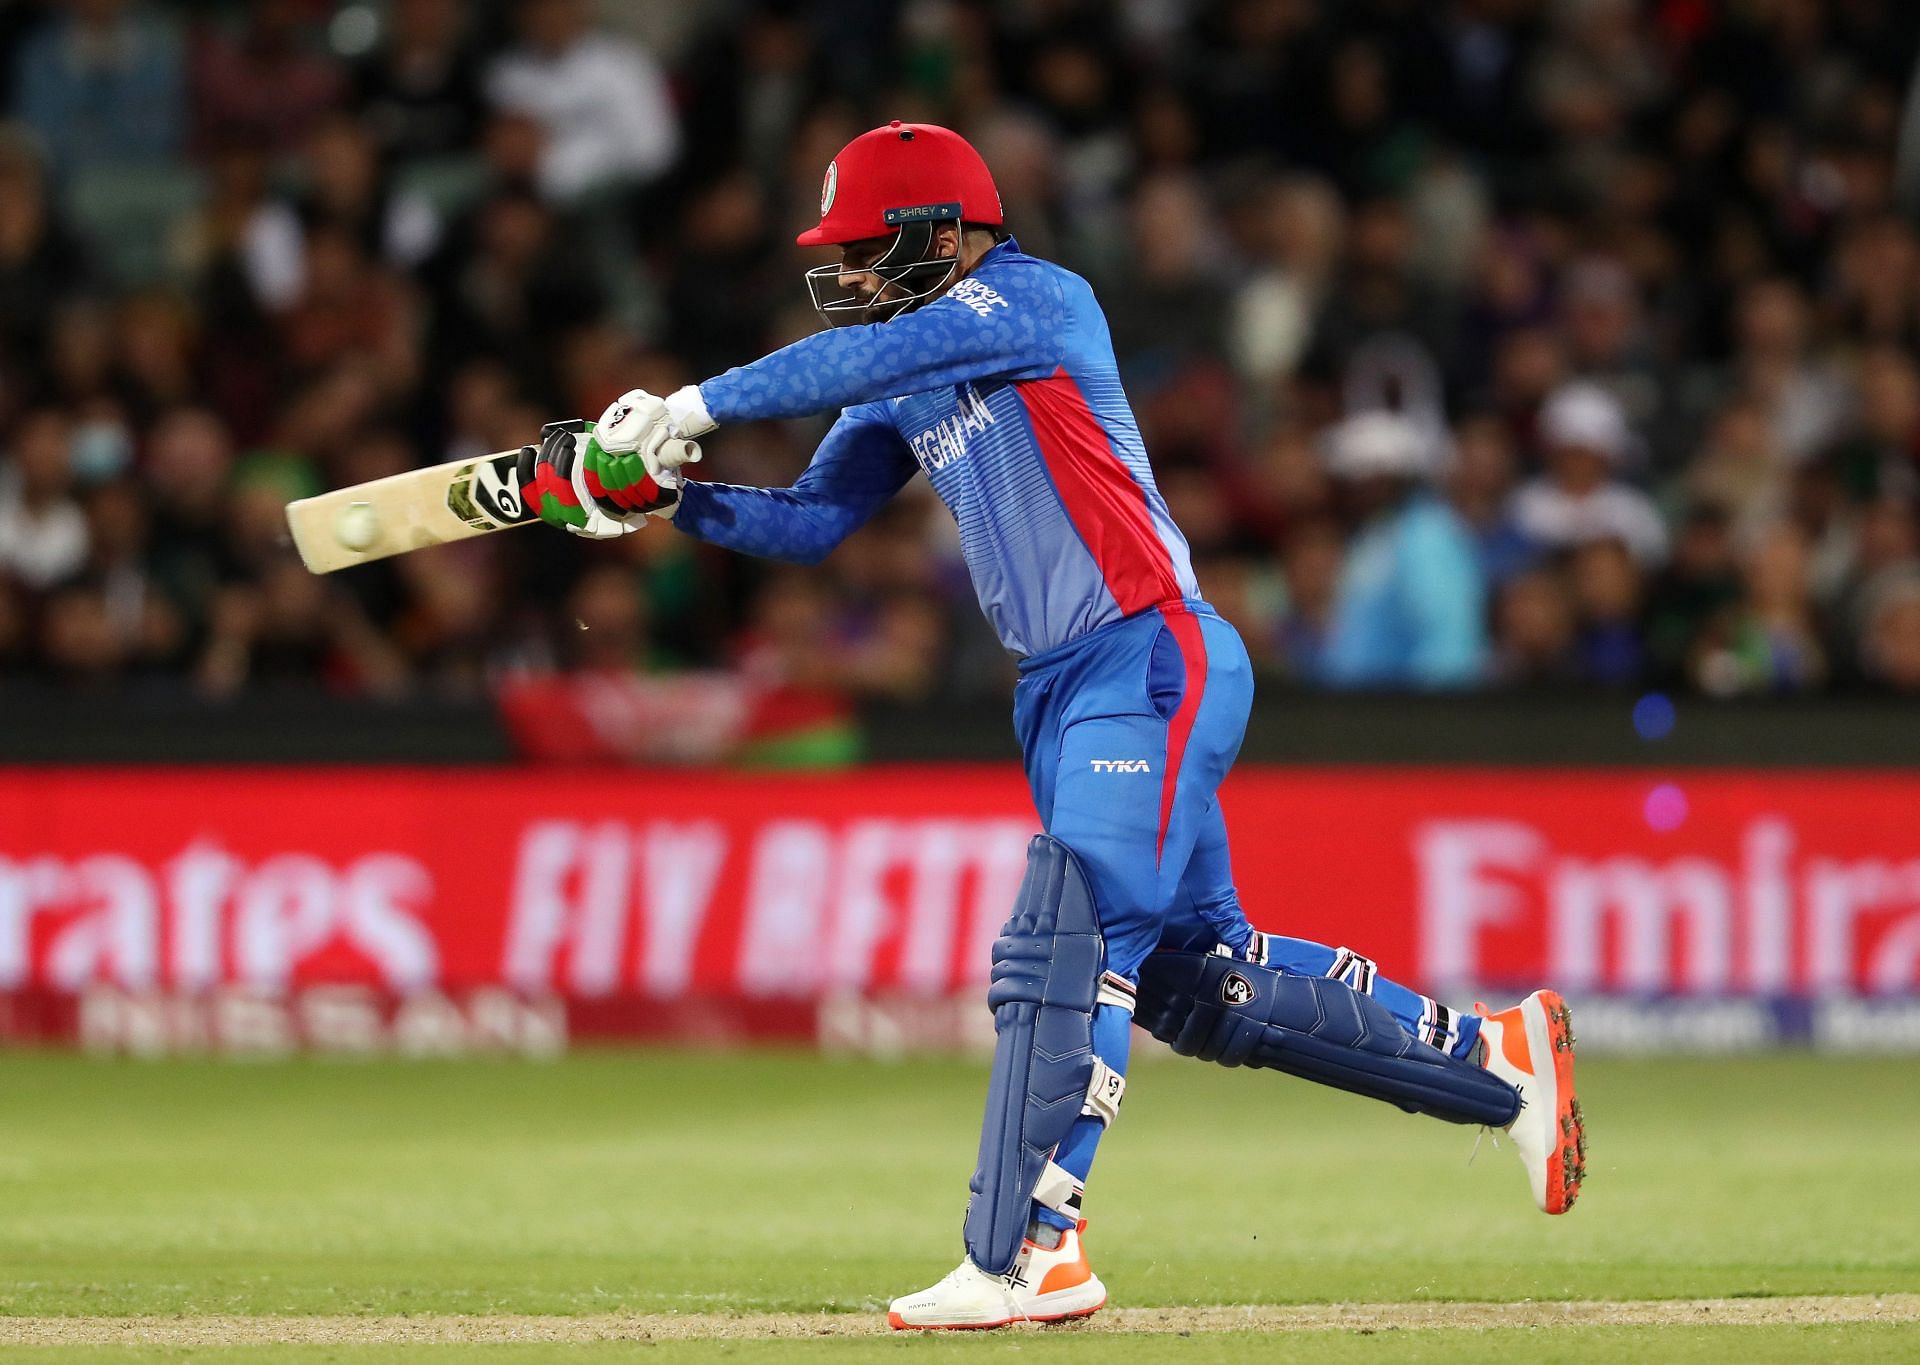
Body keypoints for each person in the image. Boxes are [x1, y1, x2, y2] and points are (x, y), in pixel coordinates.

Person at [517, 122, 1587, 1330]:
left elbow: (828, 365)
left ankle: (1031, 1247)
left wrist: (681, 409)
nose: (855, 279)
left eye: (872, 250)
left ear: (950, 233)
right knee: (1202, 985)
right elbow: (811, 523)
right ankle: (1496, 1063)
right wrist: (665, 498)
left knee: (1066, 935)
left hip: (1150, 657)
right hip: (1064, 688)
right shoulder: (907, 365)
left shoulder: (1035, 299)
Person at [1318, 411, 1487, 688]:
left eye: (1354, 479)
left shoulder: (1427, 536)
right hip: (1356, 712)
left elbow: (1446, 644)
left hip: (1401, 718)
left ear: (1383, 478)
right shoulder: (1377, 535)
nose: (1347, 490)